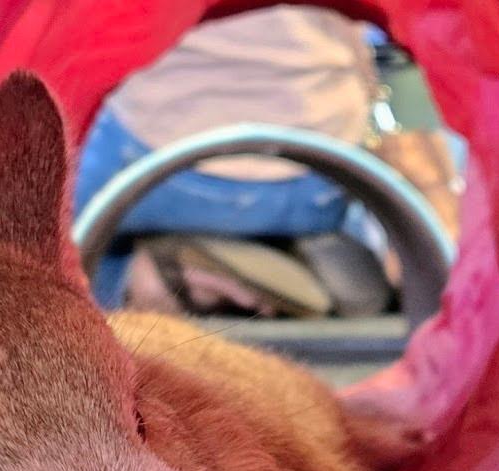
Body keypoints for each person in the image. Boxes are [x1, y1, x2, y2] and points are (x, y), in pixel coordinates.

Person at [74, 6, 378, 308]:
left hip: (157, 174)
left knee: (54, 234)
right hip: (318, 181)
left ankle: (140, 282)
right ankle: (321, 265)